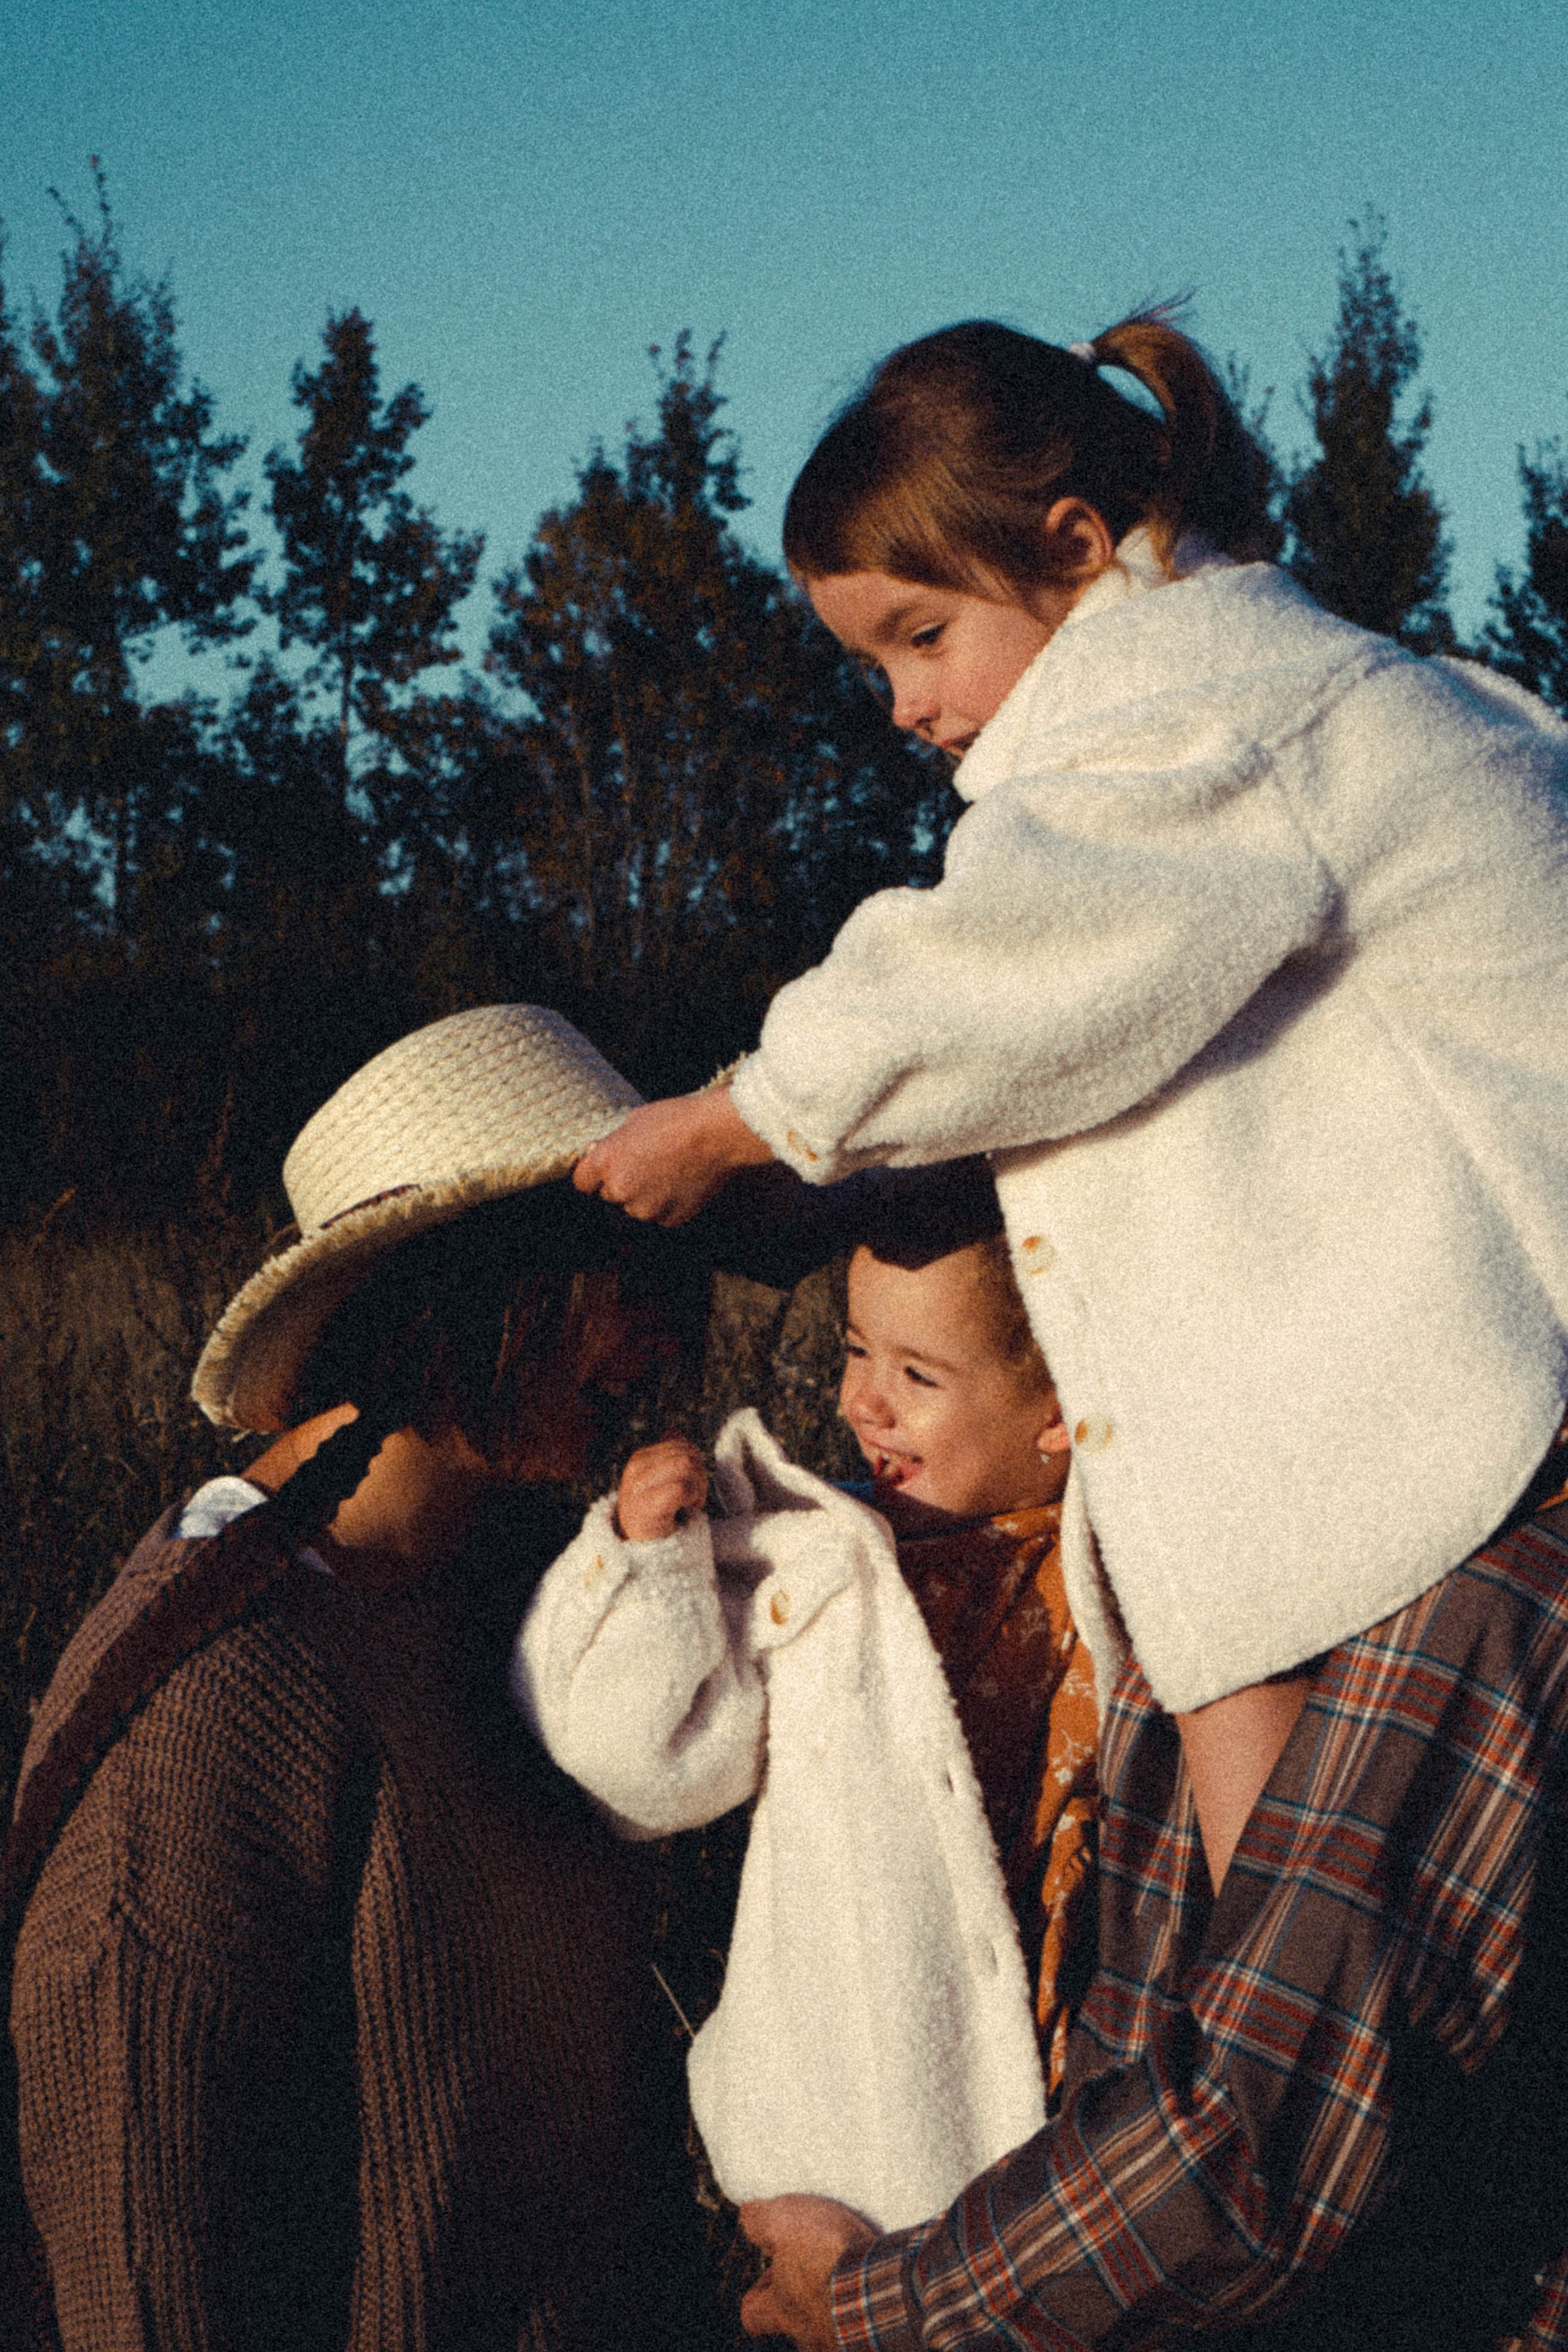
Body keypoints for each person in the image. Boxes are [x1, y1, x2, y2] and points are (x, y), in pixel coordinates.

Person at [564, 317, 1568, 2346]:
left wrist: (739, 1114)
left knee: (1269, 2054)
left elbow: (1001, 970)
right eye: (875, 666)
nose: (910, 708)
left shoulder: (1203, 707)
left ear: (1081, 544)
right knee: (1224, 1922)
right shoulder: (1274, 701)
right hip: (1374, 1397)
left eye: (923, 638)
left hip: (1499, 1416)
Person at [7, 1003, 725, 2352]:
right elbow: (141, 2256)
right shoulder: (215, 1697)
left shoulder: (521, 1581)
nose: (656, 1341)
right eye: (614, 1286)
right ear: (471, 1288)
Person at [513, 1163, 1098, 2234]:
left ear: (1060, 1414)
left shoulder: (1121, 1569)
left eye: (918, 1375)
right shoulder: (819, 1565)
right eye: (855, 1351)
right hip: (867, 2130)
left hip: (1082, 2105)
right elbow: (638, 1768)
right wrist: (648, 1571)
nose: (857, 1401)